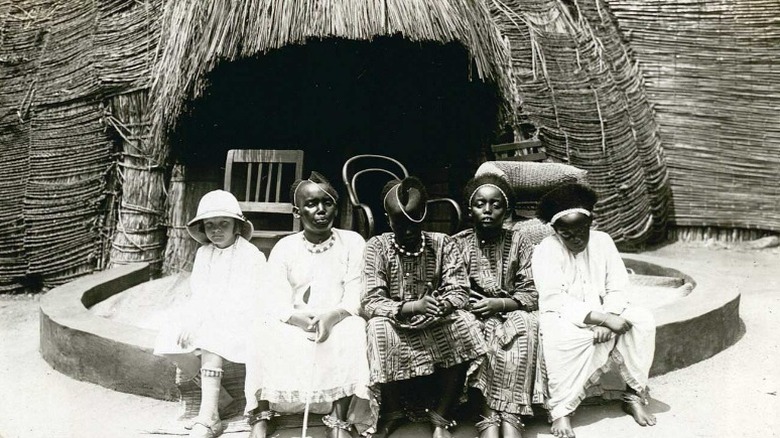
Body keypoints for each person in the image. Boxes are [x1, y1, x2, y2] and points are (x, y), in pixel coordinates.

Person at [243, 172, 375, 438]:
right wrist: (297, 319)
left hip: (337, 318)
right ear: (297, 211)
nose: (320, 210)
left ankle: (338, 418)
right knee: (261, 327)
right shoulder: (285, 247)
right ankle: (261, 413)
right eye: (311, 204)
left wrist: (332, 316)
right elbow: (274, 296)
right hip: (297, 320)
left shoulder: (352, 242)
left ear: (336, 208)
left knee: (354, 328)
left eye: (327, 203)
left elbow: (355, 292)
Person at [362, 176, 487, 438]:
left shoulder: (442, 243)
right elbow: (371, 300)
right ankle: (393, 411)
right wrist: (411, 307)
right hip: (397, 319)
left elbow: (459, 289)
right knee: (377, 328)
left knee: (465, 323)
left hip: (435, 316)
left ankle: (441, 415)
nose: (408, 231)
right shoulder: (377, 246)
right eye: (400, 223)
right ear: (388, 220)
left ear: (424, 217)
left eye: (413, 223)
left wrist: (440, 306)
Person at [531, 183, 657, 438]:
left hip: (605, 314)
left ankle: (633, 394)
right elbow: (554, 300)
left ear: (591, 224)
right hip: (565, 317)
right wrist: (601, 319)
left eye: (581, 231)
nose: (576, 238)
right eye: (566, 234)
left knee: (642, 320)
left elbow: (618, 287)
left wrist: (608, 317)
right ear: (555, 231)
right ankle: (562, 410)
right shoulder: (546, 249)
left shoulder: (603, 242)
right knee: (560, 338)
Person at [154, 189, 267, 438]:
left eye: (223, 224)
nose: (216, 230)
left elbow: (248, 300)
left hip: (243, 320)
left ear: (237, 226)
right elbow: (199, 294)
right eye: (209, 225)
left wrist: (206, 320)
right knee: (168, 338)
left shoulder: (251, 255)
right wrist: (192, 320)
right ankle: (223, 399)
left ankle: (209, 416)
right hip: (210, 318)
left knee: (211, 337)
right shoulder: (204, 253)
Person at [452, 174, 547, 438]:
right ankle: (488, 413)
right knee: (477, 328)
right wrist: (474, 305)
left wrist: (500, 303)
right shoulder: (457, 244)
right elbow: (450, 287)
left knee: (528, 326)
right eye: (480, 203)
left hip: (511, 308)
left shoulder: (520, 242)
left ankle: (512, 413)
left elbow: (530, 291)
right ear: (470, 209)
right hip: (473, 311)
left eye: (496, 205)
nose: (487, 210)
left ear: (506, 211)